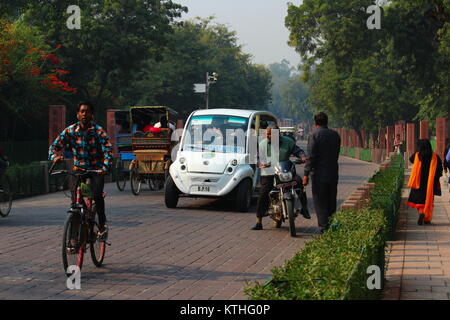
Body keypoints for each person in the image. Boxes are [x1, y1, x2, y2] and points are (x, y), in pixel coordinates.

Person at [49, 102, 113, 240]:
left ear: (92, 114)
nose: (84, 114)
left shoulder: (98, 131)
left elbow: (108, 150)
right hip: (79, 168)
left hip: (96, 169)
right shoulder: (70, 131)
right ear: (77, 114)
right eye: (82, 111)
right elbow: (53, 147)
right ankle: (73, 239)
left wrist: (105, 167)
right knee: (75, 202)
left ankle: (102, 226)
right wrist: (54, 157)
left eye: (87, 111)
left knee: (97, 196)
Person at [251, 124, 310, 231]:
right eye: (267, 134)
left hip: (285, 171)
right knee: (263, 194)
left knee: (299, 183)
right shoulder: (263, 144)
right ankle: (258, 221)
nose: (268, 136)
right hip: (268, 173)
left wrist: (302, 157)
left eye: (270, 134)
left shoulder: (288, 142)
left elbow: (298, 151)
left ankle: (304, 209)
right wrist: (260, 163)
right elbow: (257, 157)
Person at [302, 112, 341, 234]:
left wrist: (306, 174)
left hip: (319, 174)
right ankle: (330, 223)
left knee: (320, 201)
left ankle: (323, 227)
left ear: (315, 123)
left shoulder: (314, 135)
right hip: (333, 173)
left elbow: (311, 157)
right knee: (331, 199)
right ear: (327, 121)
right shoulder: (335, 135)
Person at [407, 139, 443, 225]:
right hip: (430, 183)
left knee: (419, 200)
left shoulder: (417, 155)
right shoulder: (435, 157)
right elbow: (439, 170)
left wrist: (417, 151)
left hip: (418, 182)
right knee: (428, 200)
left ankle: (421, 212)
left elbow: (410, 160)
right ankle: (427, 218)